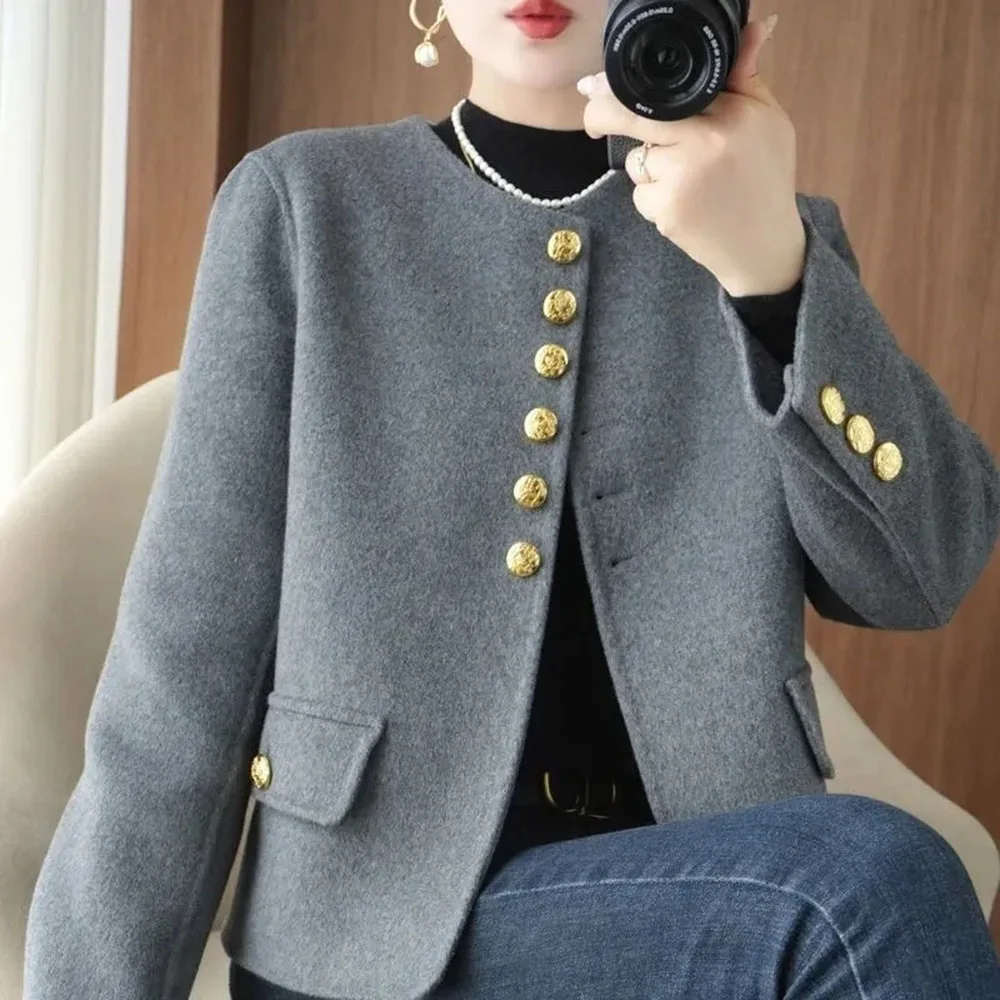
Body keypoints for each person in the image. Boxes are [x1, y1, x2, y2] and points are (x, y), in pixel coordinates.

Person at [23, 0, 1000, 997]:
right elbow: (182, 676)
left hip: (703, 911)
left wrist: (772, 274)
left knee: (863, 892)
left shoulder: (767, 236)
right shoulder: (305, 207)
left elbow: (921, 576)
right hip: (372, 938)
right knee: (871, 885)